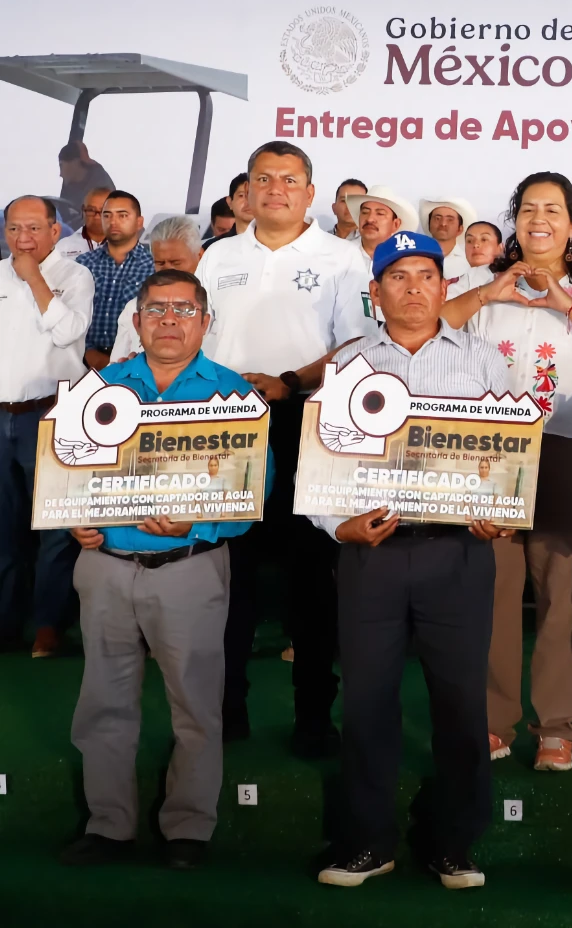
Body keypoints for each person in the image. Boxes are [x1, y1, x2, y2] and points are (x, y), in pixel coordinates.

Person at [309, 232, 513, 891]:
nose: (414, 288)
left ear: (445, 286)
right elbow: (320, 463)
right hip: (372, 554)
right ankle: (366, 842)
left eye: (426, 275)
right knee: (367, 699)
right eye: (398, 277)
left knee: (460, 703)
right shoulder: (348, 365)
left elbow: (511, 457)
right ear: (376, 293)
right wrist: (336, 524)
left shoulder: (484, 360)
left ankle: (454, 843)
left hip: (458, 552)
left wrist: (501, 510)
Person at [59, 268, 269, 871]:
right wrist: (73, 519)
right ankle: (108, 825)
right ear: (137, 321)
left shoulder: (233, 394)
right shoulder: (99, 388)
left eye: (183, 309)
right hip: (105, 565)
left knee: (196, 703)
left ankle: (188, 828)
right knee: (103, 700)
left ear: (205, 322)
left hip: (190, 566)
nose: (169, 320)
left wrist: (199, 525)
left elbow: (255, 489)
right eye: (156, 309)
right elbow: (67, 473)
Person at [440, 171, 572, 771]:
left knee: (563, 592)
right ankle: (492, 721)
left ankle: (556, 728)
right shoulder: (482, 281)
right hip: (489, 451)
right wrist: (488, 294)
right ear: (516, 221)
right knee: (492, 589)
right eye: (528, 209)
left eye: (553, 210)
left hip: (568, 445)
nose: (539, 219)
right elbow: (427, 331)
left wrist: (566, 304)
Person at [195, 140, 378, 753]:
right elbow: (196, 339)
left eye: (289, 179)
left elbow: (358, 346)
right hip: (225, 426)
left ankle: (313, 718)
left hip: (309, 422)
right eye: (264, 178)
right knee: (228, 574)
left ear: (309, 192)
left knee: (312, 578)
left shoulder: (343, 257)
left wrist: (291, 381)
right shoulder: (218, 256)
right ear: (245, 191)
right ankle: (226, 711)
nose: (276, 189)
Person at [0, 196, 93, 657]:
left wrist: (35, 279)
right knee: (5, 526)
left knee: (55, 526)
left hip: (52, 413)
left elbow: (68, 332)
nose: (23, 239)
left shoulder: (75, 276)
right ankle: (5, 622)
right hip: (1, 415)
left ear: (55, 232)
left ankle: (48, 624)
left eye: (34, 228)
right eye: (14, 229)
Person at [109, 216, 205, 361]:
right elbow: (115, 365)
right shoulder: (134, 308)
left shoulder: (216, 304)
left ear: (200, 255)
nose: (168, 269)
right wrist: (126, 367)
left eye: (176, 262)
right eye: (160, 262)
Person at [78, 190, 153, 370]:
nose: (113, 221)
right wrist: (88, 352)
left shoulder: (153, 267)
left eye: (122, 215)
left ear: (139, 222)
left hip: (133, 363)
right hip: (83, 362)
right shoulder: (83, 264)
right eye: (107, 215)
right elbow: (71, 313)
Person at [345, 186, 417, 272]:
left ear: (396, 224)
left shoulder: (404, 258)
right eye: (365, 212)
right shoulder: (341, 252)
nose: (370, 219)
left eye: (380, 213)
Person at [419, 197, 476, 293]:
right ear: (429, 225)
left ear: (460, 229)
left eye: (450, 220)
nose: (443, 223)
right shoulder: (414, 258)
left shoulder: (469, 263)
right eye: (437, 218)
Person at [57, 140, 115, 229]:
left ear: (75, 163)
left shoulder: (101, 186)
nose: (60, 174)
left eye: (61, 166)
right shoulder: (69, 185)